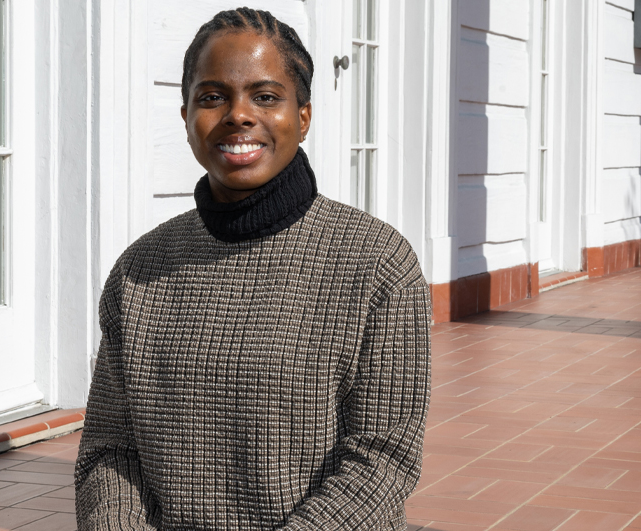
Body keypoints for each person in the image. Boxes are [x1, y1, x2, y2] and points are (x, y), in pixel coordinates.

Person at [75, 7, 431, 530]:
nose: (238, 114)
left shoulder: (376, 264)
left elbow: (383, 459)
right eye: (213, 96)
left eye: (265, 96)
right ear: (186, 114)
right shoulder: (140, 270)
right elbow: (110, 452)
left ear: (303, 117)